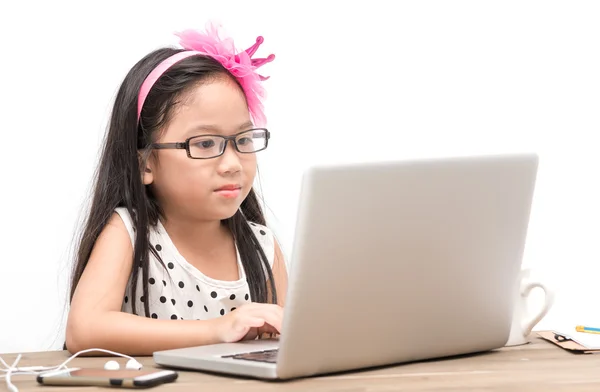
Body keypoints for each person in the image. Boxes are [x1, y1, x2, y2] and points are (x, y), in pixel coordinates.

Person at [65, 23, 288, 356]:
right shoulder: (129, 232)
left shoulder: (262, 247)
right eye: (205, 143)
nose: (232, 163)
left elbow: (289, 343)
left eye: (243, 140)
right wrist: (218, 329)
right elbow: (84, 330)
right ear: (145, 164)